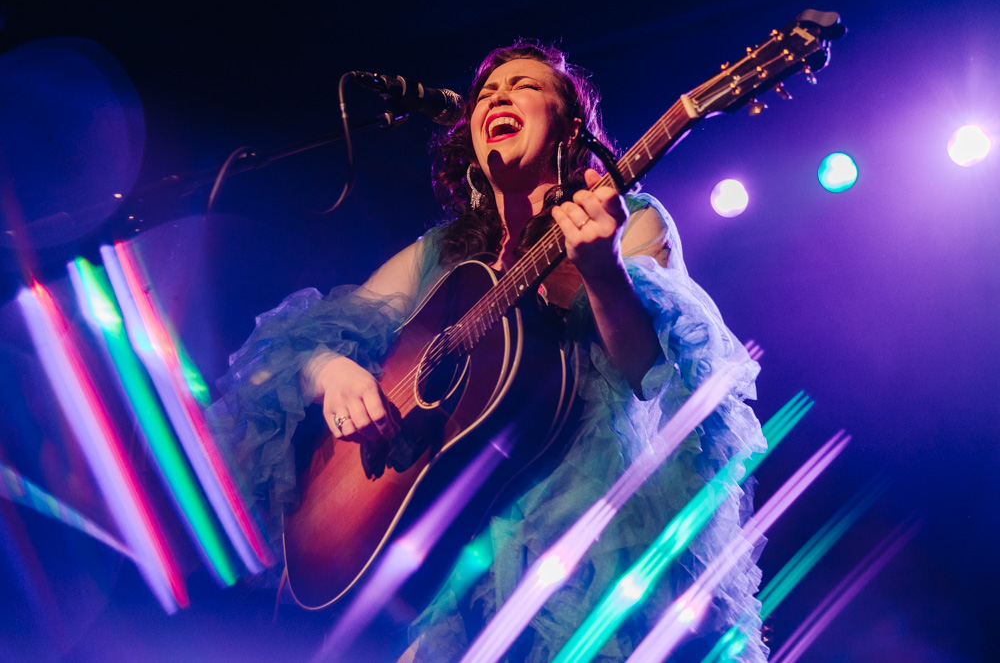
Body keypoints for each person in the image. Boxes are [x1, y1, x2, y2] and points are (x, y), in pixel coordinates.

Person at [208, 41, 768, 662]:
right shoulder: (445, 253)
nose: (498, 96)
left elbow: (650, 374)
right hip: (443, 563)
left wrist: (604, 271)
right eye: (485, 94)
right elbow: (296, 345)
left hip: (570, 552)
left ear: (570, 125)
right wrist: (330, 371)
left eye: (525, 86)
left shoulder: (630, 219)